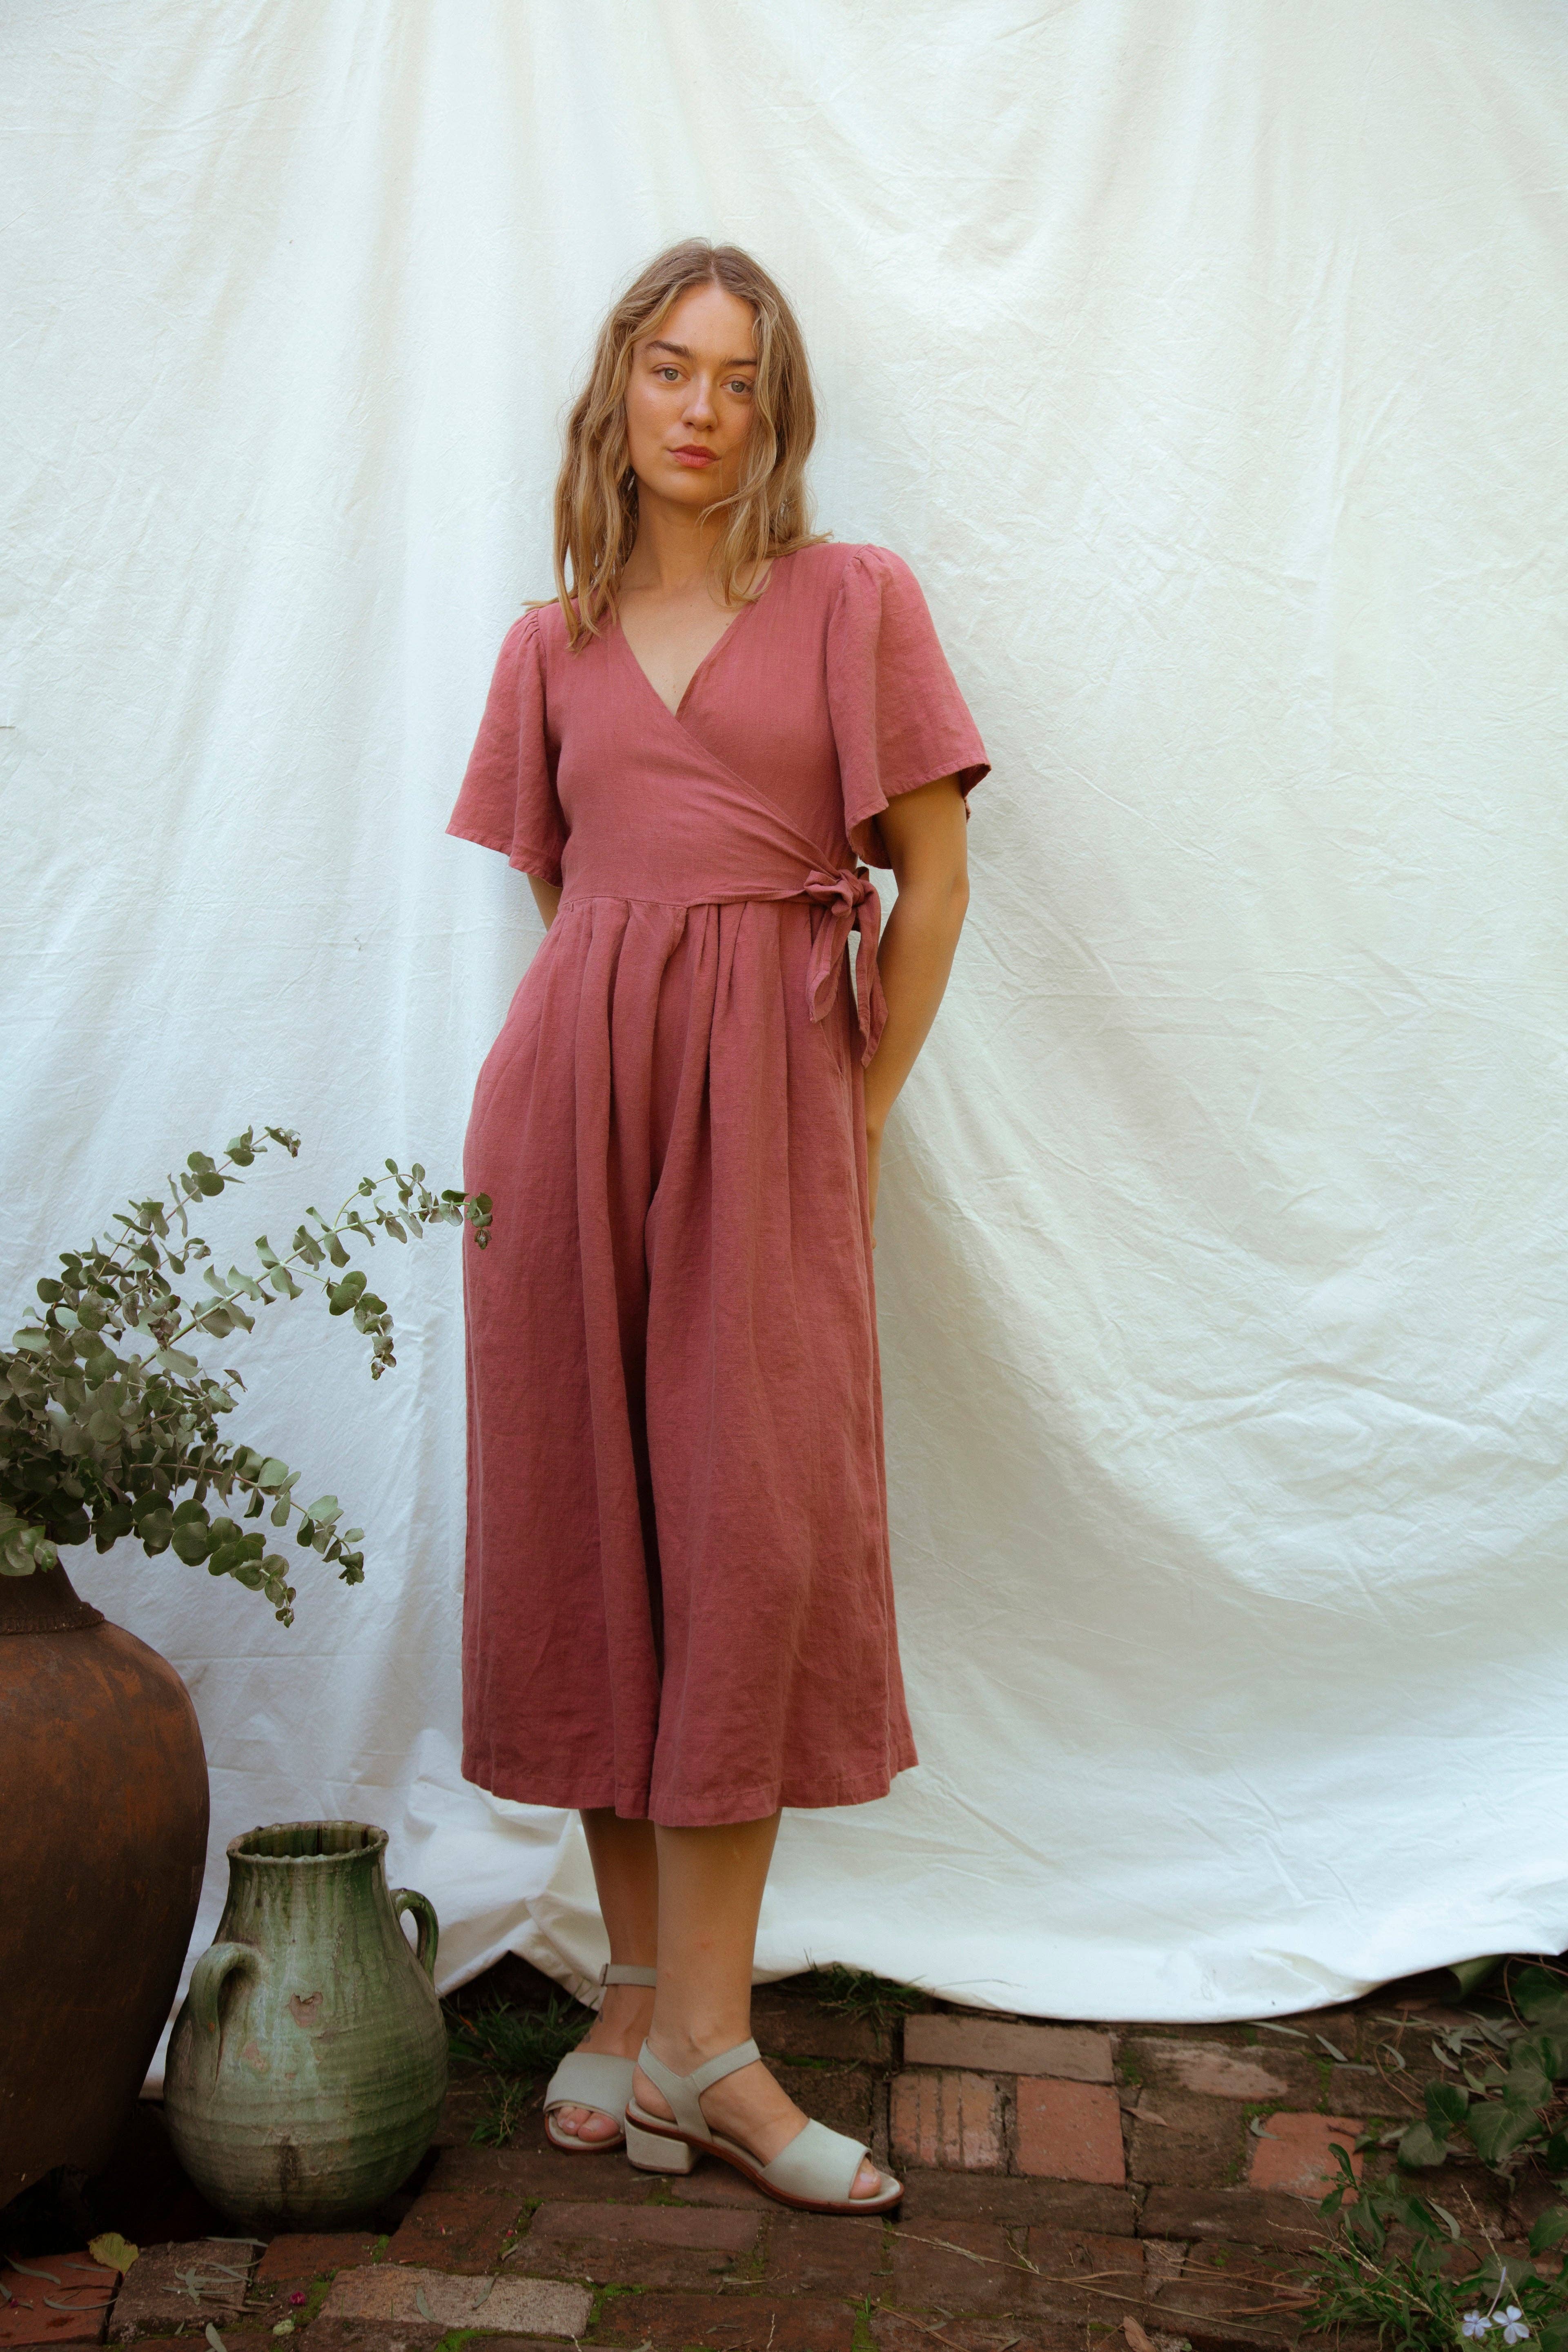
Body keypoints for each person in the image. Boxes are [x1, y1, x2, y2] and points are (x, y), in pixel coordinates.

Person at [447, 238, 987, 2214]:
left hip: (772, 1115)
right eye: (672, 368)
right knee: (600, 1527)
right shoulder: (551, 640)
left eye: (741, 379)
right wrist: (621, 1052)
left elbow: (933, 878)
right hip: (566, 1119)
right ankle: (646, 2002)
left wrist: (854, 1105)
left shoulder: (853, 602)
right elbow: (575, 898)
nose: (703, 407)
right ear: (620, 391)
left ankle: (706, 2037)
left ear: (778, 413)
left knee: (745, 1536)